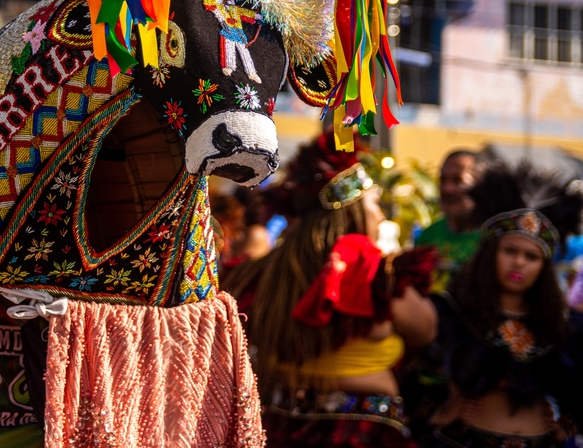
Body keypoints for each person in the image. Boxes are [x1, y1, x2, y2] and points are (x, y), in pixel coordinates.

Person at [223, 132, 438, 447]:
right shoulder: (380, 276)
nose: (381, 216)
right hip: (361, 434)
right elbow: (426, 331)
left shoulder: (259, 274)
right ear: (349, 211)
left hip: (276, 428)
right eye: (375, 205)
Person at [426, 162, 582, 447]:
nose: (519, 262)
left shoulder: (559, 326)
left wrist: (568, 425)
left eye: (531, 257)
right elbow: (419, 374)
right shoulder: (453, 314)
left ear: (543, 268)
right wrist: (444, 409)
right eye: (510, 251)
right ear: (489, 255)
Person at [416, 150, 483, 292]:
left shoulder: (491, 239)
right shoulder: (429, 235)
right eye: (443, 180)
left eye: (458, 181)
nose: (447, 189)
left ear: (480, 186)